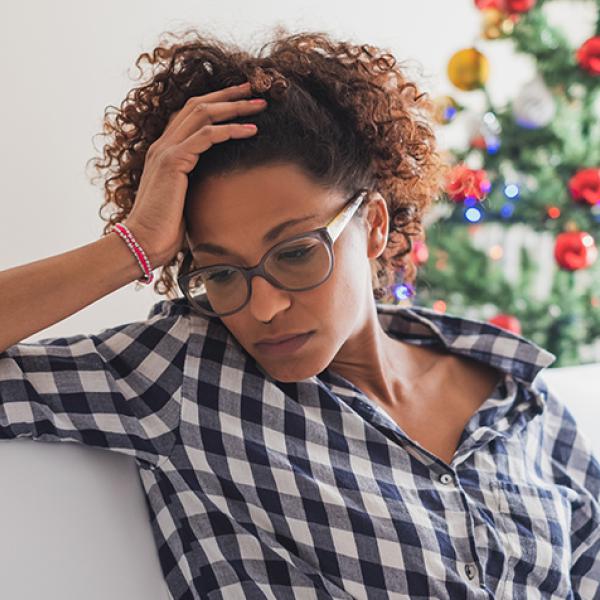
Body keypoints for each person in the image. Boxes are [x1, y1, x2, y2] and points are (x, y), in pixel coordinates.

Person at [0, 26, 598, 600]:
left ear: (374, 227)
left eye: (294, 253)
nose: (263, 306)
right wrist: (134, 245)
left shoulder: (516, 395)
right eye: (222, 273)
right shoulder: (181, 375)